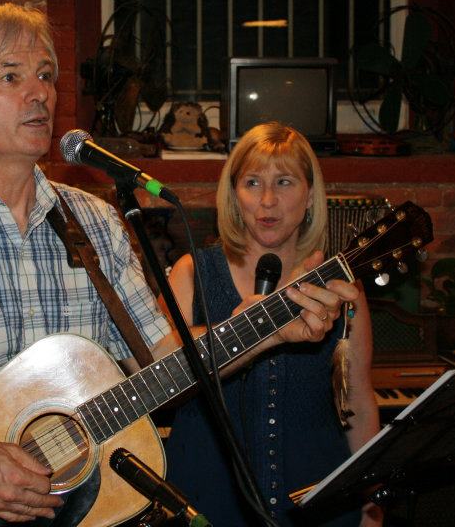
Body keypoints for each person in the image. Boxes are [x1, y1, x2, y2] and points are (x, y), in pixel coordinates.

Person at [0, 3, 356, 524]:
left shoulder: (94, 224)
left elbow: (159, 359)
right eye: (11, 77)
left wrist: (266, 329)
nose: (40, 93)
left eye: (45, 76)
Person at [162, 122, 383, 527]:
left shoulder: (339, 287)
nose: (267, 201)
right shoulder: (192, 274)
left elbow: (359, 403)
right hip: (207, 497)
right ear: (233, 195)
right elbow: (156, 379)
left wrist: (370, 503)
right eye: (252, 183)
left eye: (284, 182)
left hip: (319, 500)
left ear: (310, 194)